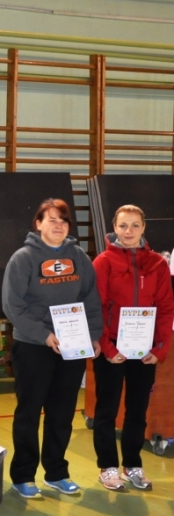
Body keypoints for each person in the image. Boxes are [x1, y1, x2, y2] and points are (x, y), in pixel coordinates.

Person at [1, 198, 103, 498]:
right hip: (33, 346)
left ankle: (57, 473)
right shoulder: (23, 258)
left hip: (71, 346)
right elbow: (13, 306)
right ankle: (23, 476)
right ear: (38, 224)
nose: (58, 225)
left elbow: (90, 299)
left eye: (63, 220)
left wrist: (92, 336)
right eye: (52, 219)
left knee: (61, 413)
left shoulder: (79, 257)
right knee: (29, 412)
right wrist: (44, 335)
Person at [91, 205, 173, 491]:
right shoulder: (103, 262)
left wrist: (159, 349)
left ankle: (132, 465)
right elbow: (97, 307)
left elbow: (165, 308)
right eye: (123, 225)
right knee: (107, 410)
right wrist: (107, 347)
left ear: (143, 228)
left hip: (144, 351)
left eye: (135, 225)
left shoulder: (157, 264)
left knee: (138, 410)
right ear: (115, 227)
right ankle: (107, 468)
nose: (129, 231)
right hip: (112, 349)